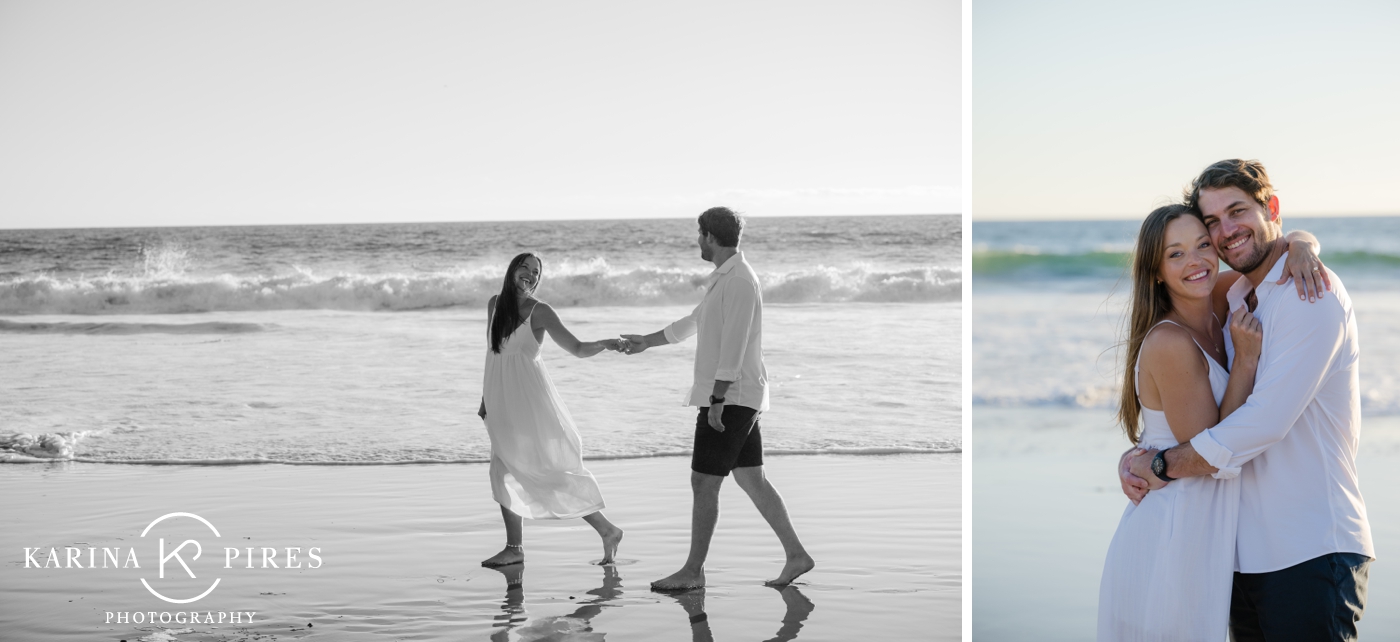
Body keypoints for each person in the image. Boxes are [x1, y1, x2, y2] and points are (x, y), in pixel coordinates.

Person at [1119, 160, 1374, 640]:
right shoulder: (1236, 298)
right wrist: (1138, 454)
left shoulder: (1309, 293)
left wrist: (1161, 465)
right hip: (1238, 556)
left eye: (1237, 211)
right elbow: (1188, 406)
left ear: (1270, 208)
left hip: (1309, 546)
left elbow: (1264, 422)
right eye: (1212, 222)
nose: (1225, 231)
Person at [620, 206, 814, 590]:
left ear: (710, 236)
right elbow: (694, 322)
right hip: (738, 394)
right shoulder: (725, 278)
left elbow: (735, 343)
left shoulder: (739, 280)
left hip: (732, 395)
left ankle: (693, 571)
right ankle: (797, 555)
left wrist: (718, 398)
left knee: (703, 482)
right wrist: (648, 341)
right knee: (752, 479)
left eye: (699, 235)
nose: (697, 241)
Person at [478, 252, 625, 567]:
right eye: (525, 267)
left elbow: (577, 348)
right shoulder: (494, 305)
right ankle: (514, 547)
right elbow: (492, 355)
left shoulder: (540, 312)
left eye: (536, 272)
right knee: (502, 470)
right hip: (501, 401)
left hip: (530, 402)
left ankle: (607, 529)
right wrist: (484, 399)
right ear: (512, 269)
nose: (530, 275)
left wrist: (605, 343)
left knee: (546, 471)